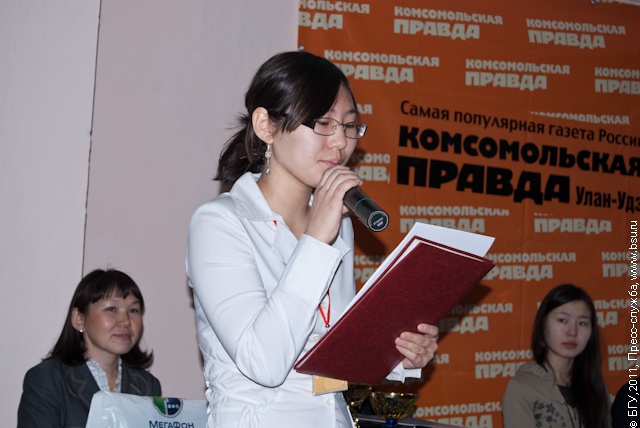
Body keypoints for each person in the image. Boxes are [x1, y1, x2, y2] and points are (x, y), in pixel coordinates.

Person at [186, 50, 439, 428]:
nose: (340, 142)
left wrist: (398, 355)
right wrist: (317, 239)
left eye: (349, 126)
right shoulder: (220, 223)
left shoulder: (338, 223)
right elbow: (264, 363)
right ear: (266, 126)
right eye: (323, 123)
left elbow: (333, 349)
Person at [17, 268, 161, 427]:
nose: (125, 321)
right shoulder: (47, 379)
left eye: (133, 310)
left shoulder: (147, 385)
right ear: (79, 319)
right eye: (111, 309)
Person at [502, 284, 610, 428]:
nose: (572, 332)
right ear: (543, 324)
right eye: (563, 320)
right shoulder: (522, 388)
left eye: (582, 323)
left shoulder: (596, 389)